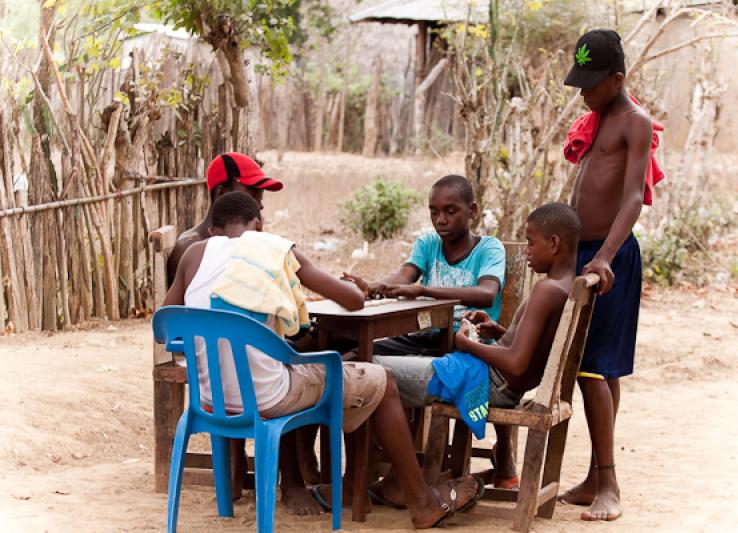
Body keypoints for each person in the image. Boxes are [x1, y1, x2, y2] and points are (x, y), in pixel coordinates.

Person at [163, 191, 481, 528]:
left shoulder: (193, 255)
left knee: (296, 362)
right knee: (381, 379)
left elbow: (164, 326)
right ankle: (421, 502)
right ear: (260, 223)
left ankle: (349, 485)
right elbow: (353, 301)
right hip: (269, 398)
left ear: (212, 232)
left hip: (210, 400)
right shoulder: (272, 247)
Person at [370, 203, 579, 507]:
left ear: (555, 243)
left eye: (531, 243)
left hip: (488, 382)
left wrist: (466, 344)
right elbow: (524, 349)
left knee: (371, 371)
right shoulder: (564, 286)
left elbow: (517, 362)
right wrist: (496, 331)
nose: (527, 252)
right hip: (496, 378)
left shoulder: (547, 290)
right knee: (385, 367)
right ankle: (396, 479)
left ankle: (396, 482)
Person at [343, 174, 519, 490]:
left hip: (469, 341)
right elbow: (405, 274)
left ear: (472, 210)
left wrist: (423, 289)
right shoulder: (428, 243)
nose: (441, 219)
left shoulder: (489, 248)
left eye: (450, 211)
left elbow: (486, 293)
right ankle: (367, 467)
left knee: (384, 368)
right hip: (425, 335)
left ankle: (404, 472)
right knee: (359, 356)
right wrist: (378, 287)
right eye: (434, 211)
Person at [558, 29, 656, 522]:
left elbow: (633, 197)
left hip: (611, 257)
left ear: (617, 79)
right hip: (585, 252)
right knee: (600, 368)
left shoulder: (635, 122)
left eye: (592, 84)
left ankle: (610, 484)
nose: (584, 92)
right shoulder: (596, 119)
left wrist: (605, 258)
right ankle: (595, 475)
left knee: (592, 366)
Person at [165, 152, 284, 501]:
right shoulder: (191, 248)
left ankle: (289, 471)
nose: (260, 202)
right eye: (254, 193)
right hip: (209, 360)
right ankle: (287, 477)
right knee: (289, 359)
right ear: (222, 193)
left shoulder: (246, 241)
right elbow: (183, 321)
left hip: (237, 353)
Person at [166, 151, 283, 285]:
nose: (260, 205)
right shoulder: (190, 248)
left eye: (260, 197)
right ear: (221, 193)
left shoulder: (243, 241)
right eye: (252, 196)